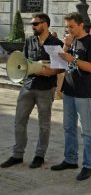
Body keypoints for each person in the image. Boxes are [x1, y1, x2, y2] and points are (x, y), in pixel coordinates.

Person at [1, 13, 63, 169]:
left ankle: (39, 155)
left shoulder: (56, 43)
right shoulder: (29, 41)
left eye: (35, 24)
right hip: (28, 86)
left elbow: (61, 66)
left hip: (45, 88)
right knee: (19, 122)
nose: (33, 26)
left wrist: (51, 72)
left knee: (44, 125)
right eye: (32, 24)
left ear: (45, 24)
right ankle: (17, 155)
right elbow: (23, 62)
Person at [52, 12, 91, 181]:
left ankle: (89, 165)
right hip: (69, 90)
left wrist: (72, 59)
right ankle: (70, 159)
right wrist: (65, 47)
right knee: (68, 128)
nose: (69, 29)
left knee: (87, 131)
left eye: (71, 26)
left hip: (83, 93)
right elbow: (61, 62)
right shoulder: (71, 41)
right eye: (67, 27)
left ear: (81, 25)